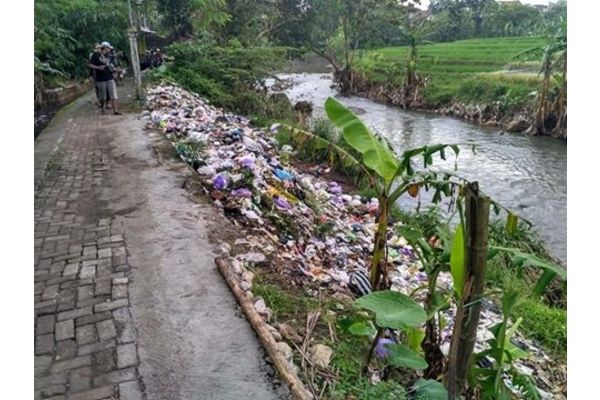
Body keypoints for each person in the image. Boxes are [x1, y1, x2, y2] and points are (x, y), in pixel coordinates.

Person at [88, 42, 121, 115]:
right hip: (100, 78)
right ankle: (103, 108)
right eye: (109, 48)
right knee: (102, 97)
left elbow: (113, 66)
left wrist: (116, 70)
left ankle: (115, 110)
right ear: (105, 48)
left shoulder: (110, 56)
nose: (110, 50)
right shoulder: (96, 55)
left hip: (110, 77)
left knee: (113, 95)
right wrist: (98, 68)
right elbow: (90, 65)